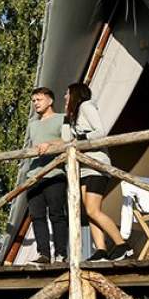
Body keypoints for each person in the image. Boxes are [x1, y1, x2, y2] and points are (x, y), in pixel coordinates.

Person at [63, 82, 134, 261]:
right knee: (89, 211)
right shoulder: (74, 115)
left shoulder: (86, 107)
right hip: (84, 169)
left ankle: (123, 245)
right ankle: (101, 250)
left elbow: (101, 132)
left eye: (67, 94)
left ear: (75, 94)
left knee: (94, 210)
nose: (65, 97)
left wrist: (81, 137)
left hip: (96, 164)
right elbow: (66, 140)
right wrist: (66, 117)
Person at [25, 87, 69, 264]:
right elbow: (30, 148)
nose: (35, 103)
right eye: (33, 100)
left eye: (39, 99)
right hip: (34, 175)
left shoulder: (62, 118)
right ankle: (43, 254)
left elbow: (68, 140)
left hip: (55, 173)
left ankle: (61, 254)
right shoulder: (32, 125)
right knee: (37, 216)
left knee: (56, 214)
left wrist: (49, 143)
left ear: (50, 101)